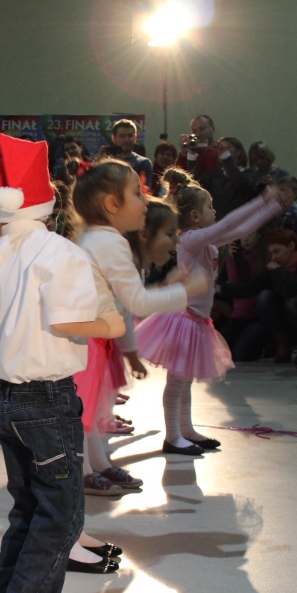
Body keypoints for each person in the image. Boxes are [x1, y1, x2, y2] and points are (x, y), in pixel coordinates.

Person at [0, 134, 125, 593]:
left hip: (7, 398)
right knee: (61, 515)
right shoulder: (58, 252)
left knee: (29, 508)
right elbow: (69, 320)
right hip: (48, 399)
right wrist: (110, 324)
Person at [69, 162, 202, 496]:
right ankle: (82, 471)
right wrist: (185, 292)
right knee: (85, 409)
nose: (145, 201)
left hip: (97, 338)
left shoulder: (100, 238)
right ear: (112, 205)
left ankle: (98, 463)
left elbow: (124, 306)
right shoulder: (110, 242)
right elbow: (138, 303)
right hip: (88, 340)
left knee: (94, 408)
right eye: (137, 194)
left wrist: (165, 288)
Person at [136, 181, 294, 454]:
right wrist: (263, 200)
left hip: (197, 320)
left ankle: (186, 430)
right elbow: (227, 225)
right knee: (177, 381)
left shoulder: (205, 241)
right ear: (195, 216)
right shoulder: (190, 239)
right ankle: (172, 437)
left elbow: (239, 230)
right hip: (184, 319)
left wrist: (274, 207)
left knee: (185, 380)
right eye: (210, 207)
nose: (215, 211)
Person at [222, 229, 297, 365]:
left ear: (291, 246)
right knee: (264, 296)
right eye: (272, 253)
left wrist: (278, 271)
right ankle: (282, 343)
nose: (274, 257)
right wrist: (219, 288)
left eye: (277, 251)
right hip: (281, 318)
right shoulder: (278, 265)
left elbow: (290, 289)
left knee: (294, 302)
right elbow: (250, 287)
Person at [218, 230, 271, 362]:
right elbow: (235, 283)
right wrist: (232, 258)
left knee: (240, 355)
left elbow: (251, 287)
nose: (245, 239)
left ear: (258, 234)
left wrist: (222, 288)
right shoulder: (240, 256)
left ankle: (268, 347)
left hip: (258, 316)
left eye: (249, 234)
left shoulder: (267, 257)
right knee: (218, 352)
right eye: (242, 236)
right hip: (239, 314)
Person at [268, 176, 297, 246]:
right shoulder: (275, 213)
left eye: (283, 190)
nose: (278, 194)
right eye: (277, 191)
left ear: (295, 193)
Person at [108, 119, 152, 187]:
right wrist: (97, 163)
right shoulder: (106, 162)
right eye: (122, 136)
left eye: (130, 136)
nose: (126, 140)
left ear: (135, 138)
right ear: (114, 138)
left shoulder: (143, 163)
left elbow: (142, 188)